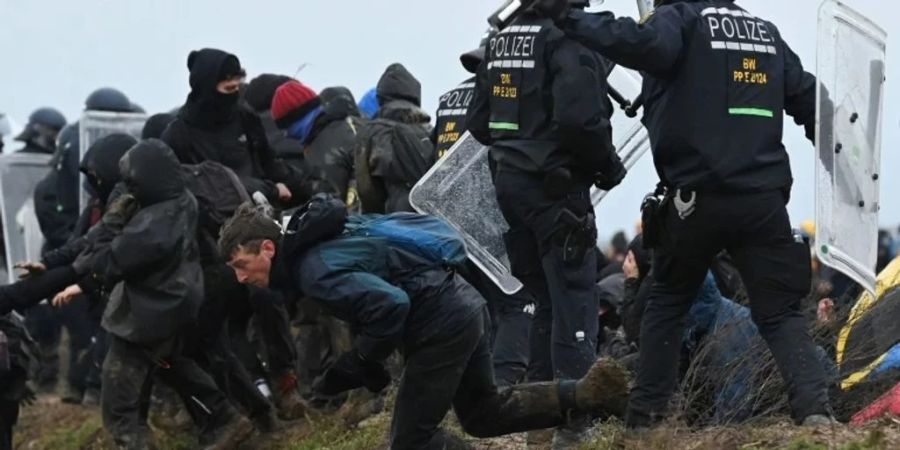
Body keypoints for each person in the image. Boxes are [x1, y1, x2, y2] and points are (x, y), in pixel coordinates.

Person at [560, 0, 833, 428]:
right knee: (781, 312)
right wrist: (847, 172)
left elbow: (634, 40)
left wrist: (568, 15)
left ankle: (644, 425)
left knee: (667, 304)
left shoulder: (680, 20)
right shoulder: (765, 33)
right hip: (763, 200)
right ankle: (816, 414)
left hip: (696, 199)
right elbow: (813, 105)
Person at [218, 195, 629, 449]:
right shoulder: (317, 239)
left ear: (268, 248)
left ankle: (587, 395)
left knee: (410, 441)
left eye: (241, 264)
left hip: (441, 322)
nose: (240, 277)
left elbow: (389, 304)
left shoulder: (312, 268)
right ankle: (587, 392)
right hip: (461, 302)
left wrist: (362, 361)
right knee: (484, 413)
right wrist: (370, 360)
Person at [56, 139, 253, 449]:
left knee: (118, 398)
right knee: (172, 365)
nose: (128, 187)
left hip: (147, 314)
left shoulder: (151, 224)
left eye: (132, 181)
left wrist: (112, 220)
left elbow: (109, 262)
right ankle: (224, 417)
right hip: (176, 302)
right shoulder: (182, 199)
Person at [354, 63, 435, 214]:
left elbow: (366, 189)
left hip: (393, 219)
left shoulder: (373, 131)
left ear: (381, 96)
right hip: (430, 216)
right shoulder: (429, 130)